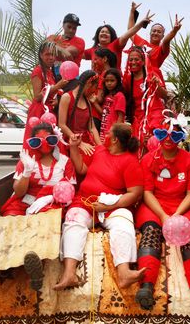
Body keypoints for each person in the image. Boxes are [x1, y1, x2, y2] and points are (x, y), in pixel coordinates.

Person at [134, 111, 190, 312]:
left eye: (175, 135)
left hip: (181, 206)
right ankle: (146, 287)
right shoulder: (149, 159)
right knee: (151, 232)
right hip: (154, 207)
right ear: (158, 135)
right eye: (163, 134)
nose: (168, 139)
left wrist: (176, 215)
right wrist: (163, 217)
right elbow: (147, 193)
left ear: (182, 136)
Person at [54, 123, 145, 291]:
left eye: (108, 133)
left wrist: (109, 205)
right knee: (73, 219)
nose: (105, 136)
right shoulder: (99, 151)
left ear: (115, 140)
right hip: (85, 201)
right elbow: (81, 168)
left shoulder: (130, 161)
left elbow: (135, 193)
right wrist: (74, 147)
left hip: (114, 206)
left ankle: (124, 273)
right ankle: (69, 273)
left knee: (124, 222)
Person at [1, 122, 76, 217]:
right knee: (11, 219)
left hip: (54, 204)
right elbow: (19, 193)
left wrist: (50, 198)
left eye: (50, 139)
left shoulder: (65, 161)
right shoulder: (26, 160)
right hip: (24, 203)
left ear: (56, 139)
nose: (44, 143)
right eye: (37, 141)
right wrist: (27, 172)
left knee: (48, 220)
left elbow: (70, 192)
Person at [123, 46, 168, 154]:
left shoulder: (152, 75)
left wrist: (157, 85)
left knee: (152, 146)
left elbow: (164, 95)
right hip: (137, 119)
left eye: (136, 59)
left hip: (154, 118)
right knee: (137, 149)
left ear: (143, 61)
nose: (133, 62)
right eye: (131, 59)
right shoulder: (128, 79)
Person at [128, 2, 183, 85]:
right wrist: (132, 12)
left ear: (162, 36)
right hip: (137, 77)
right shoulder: (142, 43)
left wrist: (174, 30)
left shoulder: (162, 49)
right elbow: (130, 30)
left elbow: (166, 41)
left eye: (159, 32)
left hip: (153, 80)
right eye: (154, 31)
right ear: (150, 33)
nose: (156, 33)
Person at [23, 41, 68, 143]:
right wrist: (57, 86)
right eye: (47, 54)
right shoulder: (38, 71)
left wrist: (56, 100)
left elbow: (52, 93)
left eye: (53, 54)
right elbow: (38, 97)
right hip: (39, 113)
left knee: (48, 145)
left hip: (48, 113)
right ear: (41, 55)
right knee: (39, 143)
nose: (51, 57)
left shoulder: (49, 72)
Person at [83, 11, 154, 70]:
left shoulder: (116, 44)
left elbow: (128, 34)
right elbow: (77, 53)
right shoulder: (92, 50)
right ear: (97, 36)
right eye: (102, 32)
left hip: (114, 83)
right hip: (95, 84)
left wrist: (141, 24)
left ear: (111, 36)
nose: (104, 33)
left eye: (107, 32)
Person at [58, 70, 101, 165]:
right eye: (95, 87)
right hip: (70, 142)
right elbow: (62, 125)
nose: (95, 91)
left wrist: (100, 147)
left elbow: (92, 128)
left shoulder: (88, 102)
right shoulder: (67, 97)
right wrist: (78, 143)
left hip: (85, 142)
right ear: (89, 84)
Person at [89, 48, 117, 132]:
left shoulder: (105, 74)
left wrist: (89, 95)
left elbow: (99, 99)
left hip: (97, 116)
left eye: (96, 59)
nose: (94, 62)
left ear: (104, 59)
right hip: (102, 116)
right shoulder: (108, 73)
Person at [99, 68, 126, 142]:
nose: (109, 83)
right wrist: (94, 102)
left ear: (118, 81)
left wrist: (115, 133)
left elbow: (120, 118)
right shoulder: (107, 96)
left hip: (112, 133)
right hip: (103, 131)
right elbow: (103, 113)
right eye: (107, 81)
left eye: (112, 80)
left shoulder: (120, 96)